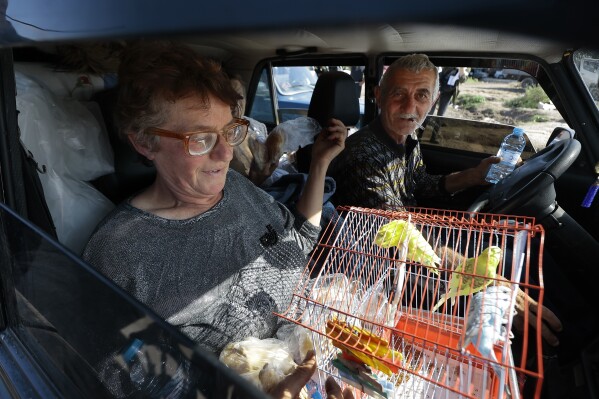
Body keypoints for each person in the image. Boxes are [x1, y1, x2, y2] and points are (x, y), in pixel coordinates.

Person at [82, 41, 348, 396]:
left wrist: (319, 164)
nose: (226, 153)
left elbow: (298, 244)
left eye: (229, 131)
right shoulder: (119, 253)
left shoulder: (236, 187)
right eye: (201, 138)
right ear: (145, 143)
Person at [327, 53, 563, 347]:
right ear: (378, 96)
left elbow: (422, 185)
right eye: (398, 94)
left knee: (525, 259)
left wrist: (475, 175)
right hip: (383, 266)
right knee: (502, 298)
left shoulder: (404, 139)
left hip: (418, 243)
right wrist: (487, 281)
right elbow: (402, 236)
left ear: (435, 98)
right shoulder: (363, 155)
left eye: (421, 95)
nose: (410, 106)